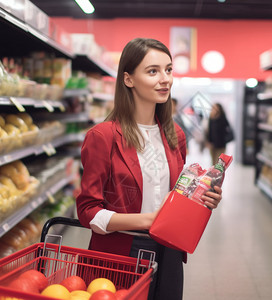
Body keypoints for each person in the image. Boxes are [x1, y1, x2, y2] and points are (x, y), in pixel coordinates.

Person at [76, 38, 223, 300]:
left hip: (169, 252)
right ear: (129, 79)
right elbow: (88, 212)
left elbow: (176, 195)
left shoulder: (175, 135)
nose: (165, 79)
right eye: (152, 71)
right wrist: (148, 220)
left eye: (168, 70)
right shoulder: (103, 136)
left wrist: (201, 199)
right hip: (120, 254)